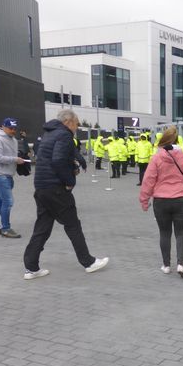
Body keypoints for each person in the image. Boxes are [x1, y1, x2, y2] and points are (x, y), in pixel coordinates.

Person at [23, 109, 109, 279]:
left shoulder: (49, 134)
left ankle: (31, 267)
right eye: (76, 124)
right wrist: (70, 181)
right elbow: (57, 160)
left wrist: (73, 166)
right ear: (68, 122)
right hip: (56, 189)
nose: (77, 127)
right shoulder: (64, 135)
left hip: (41, 188)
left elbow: (53, 158)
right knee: (73, 225)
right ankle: (89, 262)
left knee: (42, 228)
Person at [139, 126, 183, 278]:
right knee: (181, 233)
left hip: (161, 200)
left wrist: (144, 200)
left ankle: (166, 265)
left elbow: (148, 180)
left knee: (164, 233)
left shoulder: (157, 158)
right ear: (178, 141)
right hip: (181, 200)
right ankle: (181, 264)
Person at [0, 118, 26, 238]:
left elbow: (11, 155)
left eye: (15, 128)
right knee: (8, 201)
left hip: (8, 175)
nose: (13, 130)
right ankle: (6, 229)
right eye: (10, 128)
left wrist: (20, 158)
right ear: (3, 127)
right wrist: (15, 159)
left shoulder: (13, 140)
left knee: (0, 201)